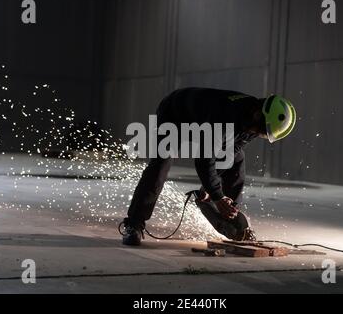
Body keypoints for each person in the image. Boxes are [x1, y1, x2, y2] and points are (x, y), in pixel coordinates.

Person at [121, 87, 296, 245]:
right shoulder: (224, 116)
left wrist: (210, 189)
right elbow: (204, 159)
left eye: (264, 134)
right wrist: (217, 195)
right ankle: (134, 224)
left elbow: (232, 151)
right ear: (258, 113)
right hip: (175, 115)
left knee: (237, 159)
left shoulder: (253, 120)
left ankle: (230, 216)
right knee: (161, 163)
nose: (259, 134)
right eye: (261, 130)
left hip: (201, 120)